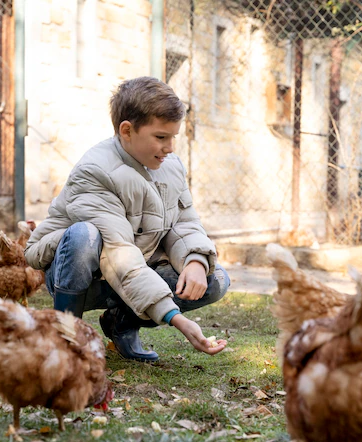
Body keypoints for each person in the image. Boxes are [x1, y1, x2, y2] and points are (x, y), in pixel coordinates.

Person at [24, 76, 230, 362]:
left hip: (131, 269)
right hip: (83, 273)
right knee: (85, 235)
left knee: (215, 279)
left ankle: (122, 323)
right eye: (161, 137)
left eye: (173, 137)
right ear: (127, 130)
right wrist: (175, 318)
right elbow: (118, 253)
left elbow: (183, 223)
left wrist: (195, 260)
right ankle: (64, 335)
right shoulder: (95, 171)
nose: (170, 147)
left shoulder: (169, 165)